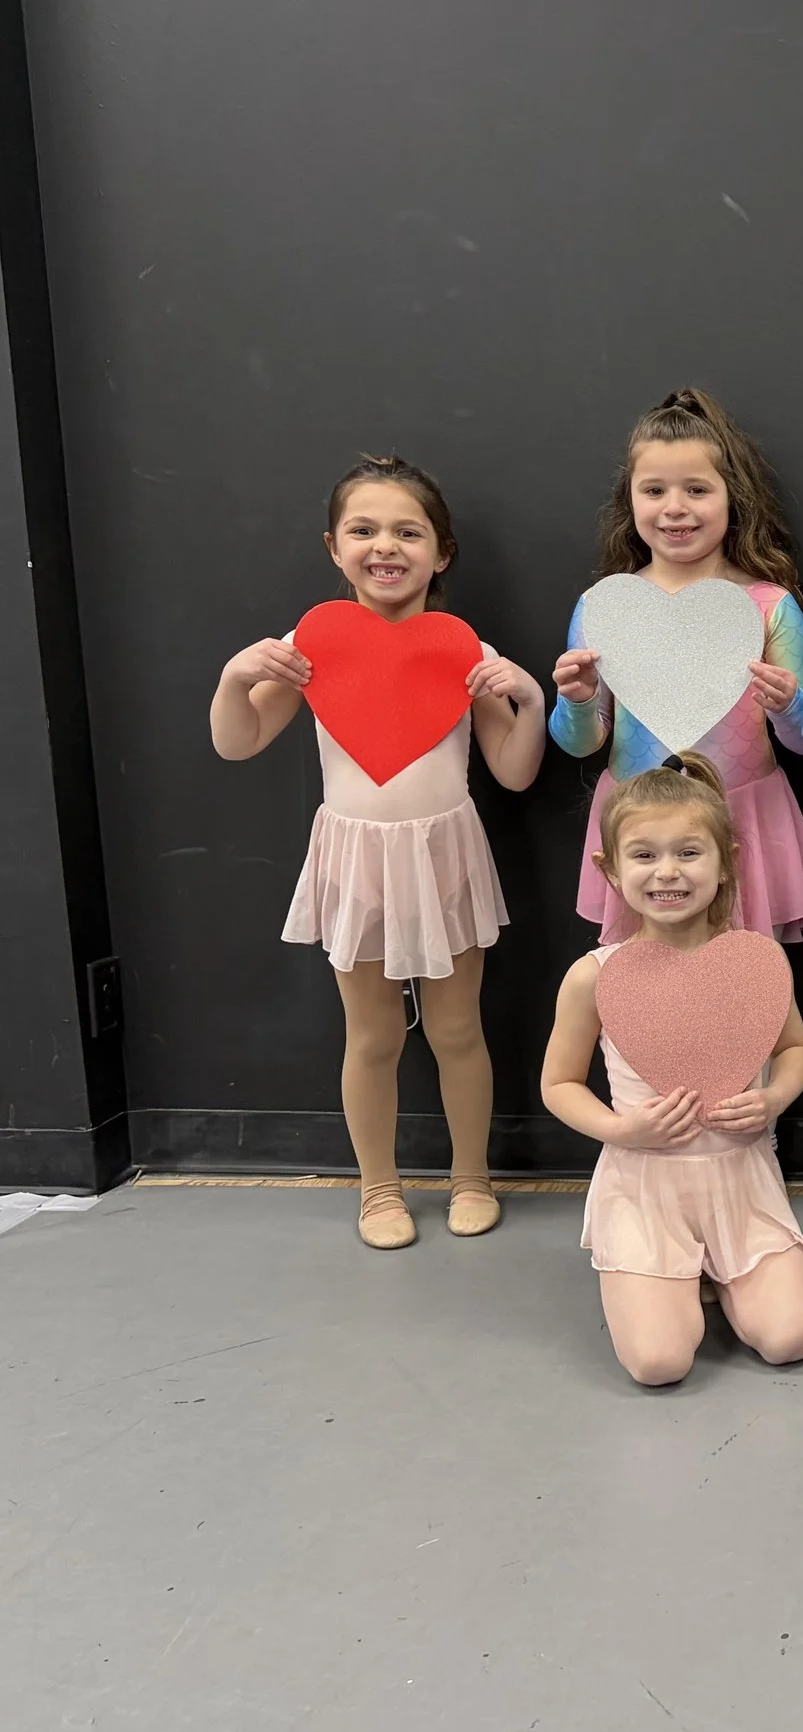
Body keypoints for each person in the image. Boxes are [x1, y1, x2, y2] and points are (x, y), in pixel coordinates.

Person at [209, 457, 545, 1249]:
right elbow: (240, 740)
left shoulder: (465, 648)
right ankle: (379, 1188)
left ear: (442, 552)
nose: (384, 546)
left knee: (458, 1028)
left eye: (407, 530)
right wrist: (233, 679)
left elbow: (514, 768)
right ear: (334, 546)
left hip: (444, 856)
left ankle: (471, 1176)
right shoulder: (312, 642)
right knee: (373, 1035)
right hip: (356, 859)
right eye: (363, 530)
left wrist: (525, 700)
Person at [541, 754, 803, 1386]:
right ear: (608, 870)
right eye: (644, 855)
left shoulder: (756, 963)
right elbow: (557, 1084)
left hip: (741, 1183)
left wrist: (773, 1098)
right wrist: (621, 1130)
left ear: (727, 859)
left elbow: (796, 1050)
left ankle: (721, 1272)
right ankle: (664, 1275)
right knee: (659, 1362)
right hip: (646, 1189)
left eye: (689, 853)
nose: (667, 872)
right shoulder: (595, 975)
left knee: (792, 1338)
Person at [550, 386, 803, 943]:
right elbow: (582, 743)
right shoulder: (605, 607)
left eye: (697, 490)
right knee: (644, 985)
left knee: (745, 988)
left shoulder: (767, 605)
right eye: (654, 490)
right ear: (630, 500)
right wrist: (577, 702)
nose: (675, 507)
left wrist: (787, 707)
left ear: (733, 499)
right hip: (641, 825)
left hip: (741, 825)